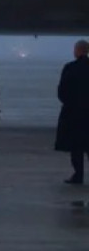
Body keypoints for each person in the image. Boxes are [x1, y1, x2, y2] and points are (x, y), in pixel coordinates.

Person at [54, 39, 89, 184]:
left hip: (73, 112)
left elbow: (62, 91)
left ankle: (78, 175)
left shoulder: (70, 68)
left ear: (78, 51)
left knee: (76, 147)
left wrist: (69, 103)